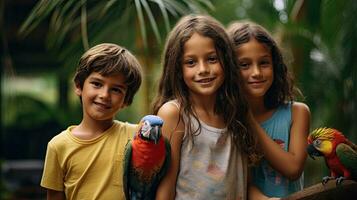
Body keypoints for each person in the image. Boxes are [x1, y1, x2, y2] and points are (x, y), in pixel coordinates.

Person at [152, 14, 261, 200]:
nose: (203, 69)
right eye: (191, 62)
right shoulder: (174, 114)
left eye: (212, 59)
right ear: (178, 69)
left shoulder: (235, 112)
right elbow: (165, 189)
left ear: (226, 61)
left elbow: (244, 183)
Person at [40, 43, 143, 199]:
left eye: (116, 89)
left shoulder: (138, 136)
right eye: (97, 84)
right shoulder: (58, 146)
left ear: (126, 100)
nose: (104, 95)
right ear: (79, 86)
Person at [227, 21, 311, 198]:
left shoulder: (297, 113)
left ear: (275, 65)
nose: (256, 72)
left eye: (264, 63)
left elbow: (293, 168)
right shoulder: (227, 123)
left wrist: (247, 118)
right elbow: (243, 183)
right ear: (230, 70)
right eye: (244, 65)